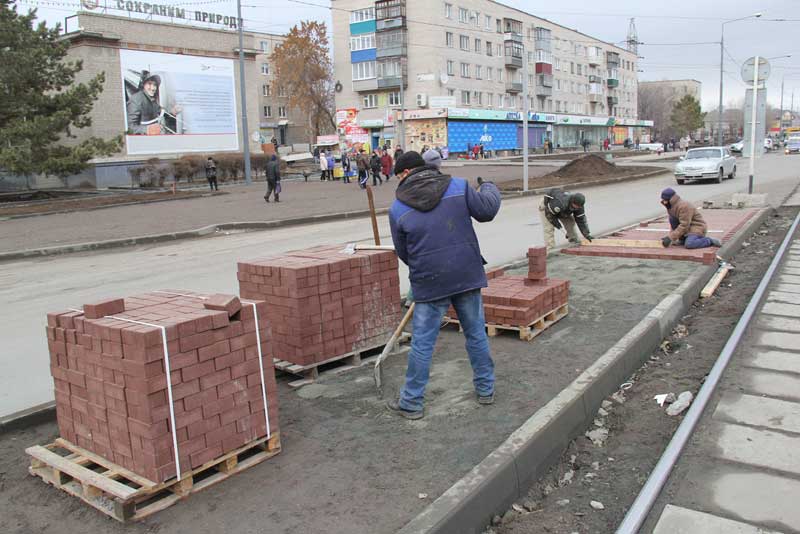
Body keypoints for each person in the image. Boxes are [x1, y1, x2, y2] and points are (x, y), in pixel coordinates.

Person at [387, 151, 501, 419]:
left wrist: (425, 266)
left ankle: (412, 402)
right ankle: (486, 390)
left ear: (405, 174)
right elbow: (487, 211)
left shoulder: (398, 209)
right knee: (475, 334)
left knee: (423, 343)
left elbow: (403, 252)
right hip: (466, 273)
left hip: (429, 281)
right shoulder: (459, 187)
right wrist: (489, 187)